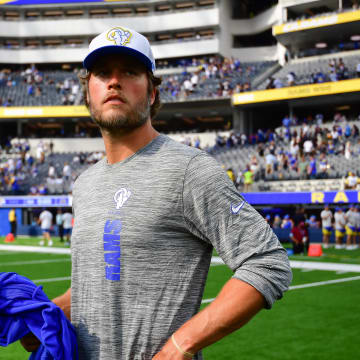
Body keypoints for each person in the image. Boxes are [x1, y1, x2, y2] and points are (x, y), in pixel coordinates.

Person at [20, 26, 292, 359]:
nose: (114, 81)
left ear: (151, 93)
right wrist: (51, 315)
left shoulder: (189, 169)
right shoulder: (84, 184)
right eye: (103, 73)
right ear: (88, 93)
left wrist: (181, 344)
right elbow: (98, 283)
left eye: (130, 72)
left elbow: (267, 261)